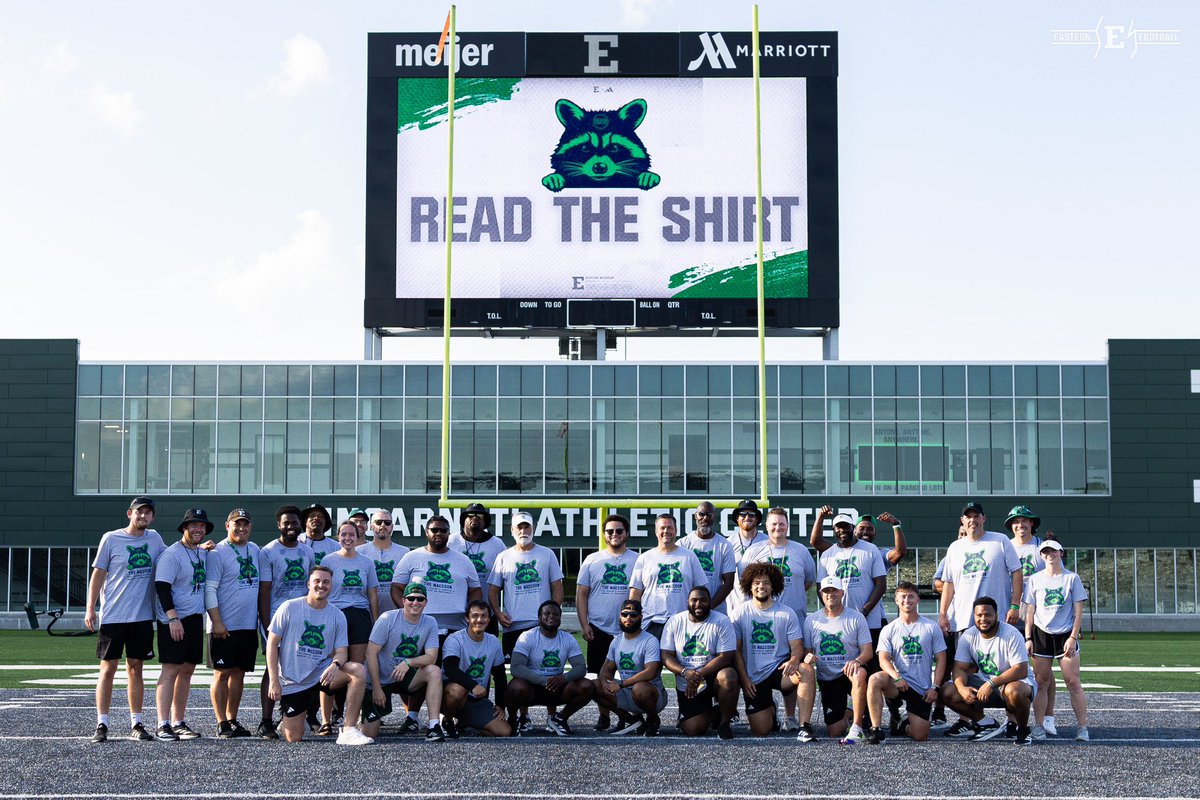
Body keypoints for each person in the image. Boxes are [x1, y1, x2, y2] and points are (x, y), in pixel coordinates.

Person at [85, 496, 166, 743]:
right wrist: (90, 608)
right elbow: (98, 574)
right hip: (113, 615)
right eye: (139, 512)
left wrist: (200, 547)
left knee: (136, 669)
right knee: (108, 668)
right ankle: (102, 722)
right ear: (129, 513)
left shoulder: (154, 539)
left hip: (142, 616)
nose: (143, 516)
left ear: (152, 517)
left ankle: (137, 722)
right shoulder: (111, 538)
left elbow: (174, 556)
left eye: (148, 513)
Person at [265, 565, 373, 745]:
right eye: (317, 581)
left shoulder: (337, 615)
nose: (321, 585)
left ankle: (348, 729)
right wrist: (274, 681)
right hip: (294, 681)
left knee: (358, 671)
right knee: (294, 738)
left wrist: (335, 665)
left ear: (331, 585)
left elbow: (341, 652)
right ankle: (294, 718)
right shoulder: (289, 607)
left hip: (321, 674)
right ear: (308, 584)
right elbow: (272, 643)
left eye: (326, 582)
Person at [742, 506, 816, 730]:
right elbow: (746, 580)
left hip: (790, 618)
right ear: (766, 526)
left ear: (787, 526)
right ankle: (768, 708)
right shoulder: (755, 550)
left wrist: (786, 604)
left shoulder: (800, 550)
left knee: (792, 665)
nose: (778, 527)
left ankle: (792, 716)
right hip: (764, 617)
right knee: (761, 730)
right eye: (773, 524)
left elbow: (809, 580)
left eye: (781, 523)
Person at [488, 510, 563, 731]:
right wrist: (499, 613)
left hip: (541, 625)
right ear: (512, 530)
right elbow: (493, 589)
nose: (523, 531)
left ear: (533, 529)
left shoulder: (547, 554)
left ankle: (552, 715)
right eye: (519, 527)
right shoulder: (504, 556)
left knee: (550, 667)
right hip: (515, 626)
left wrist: (553, 613)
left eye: (527, 527)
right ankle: (523, 715)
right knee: (519, 672)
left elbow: (557, 586)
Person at [940, 596, 1036, 745]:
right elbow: (959, 667)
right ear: (974, 616)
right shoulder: (969, 635)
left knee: (1014, 691)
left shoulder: (1011, 633)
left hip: (1014, 683)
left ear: (997, 615)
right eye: (979, 615)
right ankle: (985, 723)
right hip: (985, 682)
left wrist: (991, 683)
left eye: (988, 615)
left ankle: (1022, 729)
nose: (983, 619)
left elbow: (1020, 670)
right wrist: (961, 687)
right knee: (947, 690)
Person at [576, 513, 640, 731]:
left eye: (619, 530)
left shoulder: (637, 560)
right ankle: (605, 715)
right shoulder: (592, 560)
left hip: (627, 630)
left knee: (631, 674)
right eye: (610, 531)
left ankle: (633, 714)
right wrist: (584, 624)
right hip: (599, 628)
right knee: (597, 677)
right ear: (604, 535)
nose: (614, 534)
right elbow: (582, 594)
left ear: (627, 533)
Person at [152, 507, 211, 741]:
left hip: (195, 618)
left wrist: (206, 548)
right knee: (171, 670)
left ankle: (178, 722)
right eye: (194, 525)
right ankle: (162, 724)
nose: (198, 529)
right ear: (184, 528)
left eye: (202, 526)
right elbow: (162, 587)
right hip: (175, 620)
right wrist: (172, 618)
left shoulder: (200, 552)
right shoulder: (171, 554)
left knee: (187, 670)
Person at [255, 504, 314, 739]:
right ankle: (266, 721)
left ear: (301, 525)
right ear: (279, 525)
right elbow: (265, 591)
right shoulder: (268, 551)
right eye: (286, 522)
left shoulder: (306, 551)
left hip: (301, 617)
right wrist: (267, 624)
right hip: (277, 617)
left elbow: (309, 587)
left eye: (294, 522)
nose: (291, 526)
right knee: (273, 668)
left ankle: (294, 714)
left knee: (302, 665)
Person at [361, 581, 445, 742]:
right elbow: (370, 653)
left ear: (426, 602)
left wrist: (408, 662)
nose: (415, 602)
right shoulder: (388, 618)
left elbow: (431, 657)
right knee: (369, 734)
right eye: (411, 598)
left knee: (434, 671)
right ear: (403, 600)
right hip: (379, 680)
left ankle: (434, 726)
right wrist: (377, 687)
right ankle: (360, 716)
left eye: (420, 599)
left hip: (402, 675)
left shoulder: (430, 622)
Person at [318, 520, 380, 735]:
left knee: (356, 668)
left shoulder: (366, 562)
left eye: (351, 534)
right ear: (338, 536)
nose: (347, 538)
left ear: (358, 535)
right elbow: (322, 589)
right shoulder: (329, 560)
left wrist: (375, 621)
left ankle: (354, 719)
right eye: (343, 534)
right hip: (336, 615)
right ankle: (326, 720)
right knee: (331, 665)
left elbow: (372, 594)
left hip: (360, 615)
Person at [1024, 538, 1089, 741]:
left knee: (1073, 682)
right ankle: (1039, 725)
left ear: (1061, 553)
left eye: (1053, 552)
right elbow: (1030, 611)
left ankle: (1082, 727)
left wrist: (1072, 636)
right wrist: (1028, 637)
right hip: (1041, 634)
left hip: (1065, 635)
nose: (1049, 556)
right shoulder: (1034, 579)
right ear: (1041, 555)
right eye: (1045, 552)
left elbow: (1079, 612)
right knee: (1041, 682)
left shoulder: (1072, 578)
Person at [205, 508, 262, 738]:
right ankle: (221, 722)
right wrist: (216, 621)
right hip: (224, 625)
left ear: (250, 527)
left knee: (239, 673)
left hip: (247, 625)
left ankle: (232, 718)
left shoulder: (255, 549)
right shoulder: (217, 552)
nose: (241, 528)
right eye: (236, 524)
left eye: (245, 524)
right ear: (227, 525)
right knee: (221, 673)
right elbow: (210, 588)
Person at [730, 563, 805, 738]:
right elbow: (737, 651)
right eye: (756, 583)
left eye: (766, 583)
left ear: (773, 586)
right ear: (749, 585)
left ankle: (802, 723)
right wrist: (744, 678)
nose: (761, 586)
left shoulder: (786, 613)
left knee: (805, 671)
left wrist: (794, 661)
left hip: (780, 669)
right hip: (754, 675)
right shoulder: (739, 613)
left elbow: (797, 647)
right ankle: (771, 709)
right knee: (762, 730)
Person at [868, 581, 948, 744]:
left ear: (918, 600)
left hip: (921, 688)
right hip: (898, 683)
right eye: (903, 597)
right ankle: (876, 729)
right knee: (875, 679)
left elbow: (941, 659)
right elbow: (883, 659)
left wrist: (935, 687)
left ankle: (901, 725)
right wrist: (896, 677)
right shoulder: (889, 629)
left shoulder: (931, 627)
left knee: (920, 736)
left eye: (911, 596)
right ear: (896, 600)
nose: (907, 600)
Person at [938, 503, 1023, 649]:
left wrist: (1015, 606)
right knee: (964, 667)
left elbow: (1017, 572)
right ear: (962, 520)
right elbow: (949, 583)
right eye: (968, 517)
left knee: (997, 666)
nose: (972, 520)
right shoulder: (955, 547)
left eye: (976, 516)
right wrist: (943, 613)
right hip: (964, 620)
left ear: (983, 518)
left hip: (997, 619)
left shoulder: (1000, 540)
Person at [660, 586, 739, 739]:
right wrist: (685, 672)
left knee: (728, 676)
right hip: (686, 678)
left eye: (703, 600)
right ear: (687, 602)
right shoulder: (675, 621)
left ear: (710, 602)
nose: (698, 604)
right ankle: (713, 711)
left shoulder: (721, 621)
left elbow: (725, 656)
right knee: (693, 729)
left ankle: (724, 723)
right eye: (694, 600)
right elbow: (666, 655)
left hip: (711, 674)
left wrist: (698, 675)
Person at [506, 600, 594, 736]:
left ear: (560, 618)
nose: (551, 616)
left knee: (586, 685)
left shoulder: (568, 638)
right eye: (547, 613)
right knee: (516, 686)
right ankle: (513, 719)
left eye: (555, 614)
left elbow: (581, 667)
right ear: (539, 617)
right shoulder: (527, 636)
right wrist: (542, 680)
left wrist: (563, 678)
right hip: (533, 687)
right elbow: (516, 667)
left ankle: (560, 719)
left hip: (557, 687)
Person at [803, 576, 872, 744]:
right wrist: (808, 657)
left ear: (842, 592)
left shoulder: (856, 618)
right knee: (835, 732)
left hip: (848, 673)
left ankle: (857, 726)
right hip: (828, 678)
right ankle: (850, 711)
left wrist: (857, 661)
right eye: (826, 591)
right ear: (821, 594)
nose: (830, 594)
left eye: (834, 590)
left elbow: (868, 652)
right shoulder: (811, 620)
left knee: (859, 673)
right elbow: (807, 653)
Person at [1005, 503, 1053, 732]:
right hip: (1012, 613)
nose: (1020, 525)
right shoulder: (1006, 546)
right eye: (1016, 521)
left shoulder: (1040, 548)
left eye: (1024, 520)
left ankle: (1047, 717)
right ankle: (1012, 718)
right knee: (1011, 665)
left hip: (1040, 615)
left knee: (1043, 668)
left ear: (1032, 523)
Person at [592, 598, 667, 736]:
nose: (628, 618)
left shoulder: (650, 640)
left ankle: (652, 719)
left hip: (651, 694)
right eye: (625, 614)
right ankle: (629, 719)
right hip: (627, 692)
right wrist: (604, 683)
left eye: (633, 615)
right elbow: (606, 669)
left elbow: (651, 672)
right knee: (593, 686)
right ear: (620, 616)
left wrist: (620, 684)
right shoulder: (617, 640)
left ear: (640, 617)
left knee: (640, 687)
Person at [815, 512, 887, 647]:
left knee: (872, 664)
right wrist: (833, 611)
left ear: (853, 528)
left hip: (869, 621)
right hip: (839, 620)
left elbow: (881, 584)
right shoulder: (827, 555)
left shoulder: (871, 550)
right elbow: (821, 587)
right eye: (838, 527)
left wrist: (864, 611)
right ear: (834, 530)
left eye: (846, 526)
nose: (842, 530)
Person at [441, 600, 511, 738]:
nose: (479, 620)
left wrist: (500, 705)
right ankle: (447, 720)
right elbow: (450, 669)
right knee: (457, 690)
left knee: (504, 731)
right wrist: (473, 686)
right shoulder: (455, 639)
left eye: (484, 616)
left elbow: (500, 676)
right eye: (475, 616)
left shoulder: (493, 641)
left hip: (475, 700)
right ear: (467, 618)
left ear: (489, 619)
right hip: (451, 696)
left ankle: (466, 723)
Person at [629, 513, 705, 638]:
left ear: (676, 531)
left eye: (670, 528)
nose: (666, 531)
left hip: (683, 622)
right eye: (662, 528)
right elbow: (635, 593)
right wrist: (634, 618)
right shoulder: (644, 558)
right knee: (652, 658)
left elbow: (700, 590)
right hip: (651, 624)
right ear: (656, 531)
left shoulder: (689, 556)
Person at [677, 501, 737, 613]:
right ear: (696, 516)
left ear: (714, 517)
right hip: (688, 611)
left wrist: (709, 606)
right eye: (701, 514)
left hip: (716, 609)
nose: (705, 518)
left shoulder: (724, 545)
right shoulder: (682, 544)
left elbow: (728, 583)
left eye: (709, 515)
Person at [449, 503, 506, 614]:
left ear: (485, 521)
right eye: (470, 515)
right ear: (464, 520)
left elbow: (505, 578)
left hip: (487, 612)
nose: (474, 518)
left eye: (480, 516)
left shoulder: (497, 544)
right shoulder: (451, 541)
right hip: (456, 611)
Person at [359, 509, 409, 614]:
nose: (383, 525)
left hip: (396, 612)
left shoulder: (405, 552)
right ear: (371, 526)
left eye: (387, 522)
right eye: (378, 522)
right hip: (366, 614)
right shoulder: (359, 551)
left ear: (392, 526)